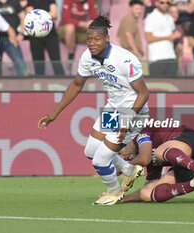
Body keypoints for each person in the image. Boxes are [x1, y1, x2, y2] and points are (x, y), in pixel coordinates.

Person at [38, 15, 150, 205]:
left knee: (99, 160)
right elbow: (76, 84)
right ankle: (130, 171)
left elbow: (143, 94)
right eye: (89, 39)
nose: (92, 43)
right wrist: (54, 113)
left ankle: (114, 192)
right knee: (91, 151)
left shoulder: (123, 59)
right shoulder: (87, 57)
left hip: (133, 112)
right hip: (113, 109)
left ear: (107, 38)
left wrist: (126, 121)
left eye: (97, 39)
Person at [118, 125, 194, 203]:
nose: (123, 158)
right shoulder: (150, 162)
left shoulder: (140, 133)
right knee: (146, 193)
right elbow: (149, 185)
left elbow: (144, 159)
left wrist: (122, 167)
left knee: (159, 152)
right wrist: (120, 198)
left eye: (119, 152)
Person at [26, 0, 65, 76]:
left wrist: (37, 17)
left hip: (51, 34)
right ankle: (40, 85)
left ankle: (62, 83)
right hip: (35, 35)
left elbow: (54, 14)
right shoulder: (30, 1)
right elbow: (30, 16)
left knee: (56, 62)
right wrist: (47, 16)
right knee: (38, 64)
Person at [144, 0, 181, 76]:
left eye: (168, 3)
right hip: (157, 58)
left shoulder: (170, 18)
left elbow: (173, 33)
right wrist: (168, 37)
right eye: (162, 2)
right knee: (157, 86)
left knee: (172, 86)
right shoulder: (151, 17)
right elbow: (148, 38)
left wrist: (176, 34)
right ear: (157, 3)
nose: (165, 4)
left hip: (171, 57)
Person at [0, 0, 27, 76]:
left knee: (20, 64)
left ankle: (24, 85)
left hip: (12, 39)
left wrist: (22, 33)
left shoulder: (14, 2)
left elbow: (23, 17)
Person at [58, 0, 97, 66]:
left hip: (81, 30)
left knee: (96, 28)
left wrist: (91, 24)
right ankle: (71, 55)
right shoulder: (68, 1)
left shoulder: (90, 1)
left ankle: (95, 57)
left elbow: (94, 17)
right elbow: (65, 19)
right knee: (70, 27)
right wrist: (82, 24)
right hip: (65, 28)